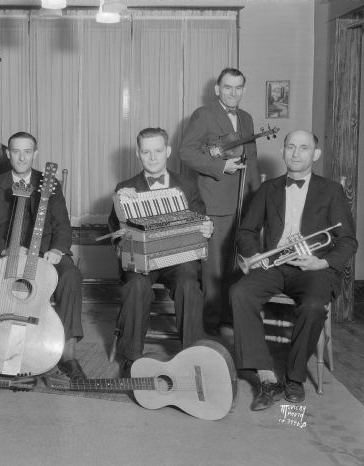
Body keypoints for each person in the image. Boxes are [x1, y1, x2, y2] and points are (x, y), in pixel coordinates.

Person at [230, 130, 357, 410]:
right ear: (283, 152)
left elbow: (348, 242)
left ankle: (294, 378)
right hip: (275, 266)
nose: (296, 153)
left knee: (313, 305)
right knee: (240, 293)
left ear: (316, 154)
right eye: (290, 147)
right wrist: (255, 255)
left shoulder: (332, 190)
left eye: (303, 148)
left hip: (313, 268)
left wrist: (321, 263)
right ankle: (264, 376)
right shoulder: (268, 189)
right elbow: (247, 231)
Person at [0, 131, 85, 379]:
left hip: (45, 251)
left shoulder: (49, 183)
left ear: (35, 153)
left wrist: (57, 250)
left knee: (71, 276)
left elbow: (62, 224)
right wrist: (9, 250)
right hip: (4, 250)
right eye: (16, 151)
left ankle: (68, 352)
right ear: (7, 154)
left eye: (27, 151)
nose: (22, 157)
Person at [108, 127, 214, 373]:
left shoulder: (187, 184)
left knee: (189, 281)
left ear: (167, 151)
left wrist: (208, 227)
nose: (153, 157)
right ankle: (132, 358)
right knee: (136, 285)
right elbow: (115, 232)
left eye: (158, 151)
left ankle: (192, 355)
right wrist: (121, 206)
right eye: (146, 152)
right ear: (138, 154)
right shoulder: (125, 187)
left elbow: (202, 219)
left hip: (178, 259)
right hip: (143, 262)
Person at [179, 67, 260, 335]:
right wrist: (220, 166)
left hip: (242, 202)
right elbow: (186, 153)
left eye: (238, 88)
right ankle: (211, 325)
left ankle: (230, 317)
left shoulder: (246, 118)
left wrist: (256, 202)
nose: (233, 93)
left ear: (243, 90)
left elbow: (253, 162)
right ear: (217, 89)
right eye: (228, 87)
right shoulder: (203, 115)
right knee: (214, 267)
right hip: (214, 203)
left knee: (235, 264)